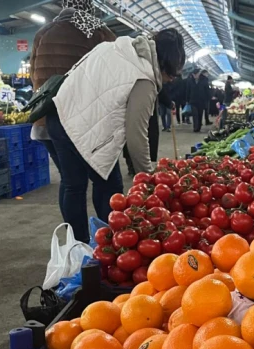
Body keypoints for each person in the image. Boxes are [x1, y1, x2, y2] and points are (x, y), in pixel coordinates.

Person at [47, 29, 185, 243]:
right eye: (172, 75)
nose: (169, 81)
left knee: (73, 184)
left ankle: (78, 247)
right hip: (84, 127)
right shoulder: (145, 79)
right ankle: (110, 243)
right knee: (110, 187)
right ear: (165, 64)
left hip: (58, 115)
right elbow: (136, 134)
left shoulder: (118, 47)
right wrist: (147, 178)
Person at [29, 0, 115, 178]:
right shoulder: (96, 31)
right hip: (82, 121)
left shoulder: (43, 32)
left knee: (70, 182)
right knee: (104, 180)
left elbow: (33, 75)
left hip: (46, 119)